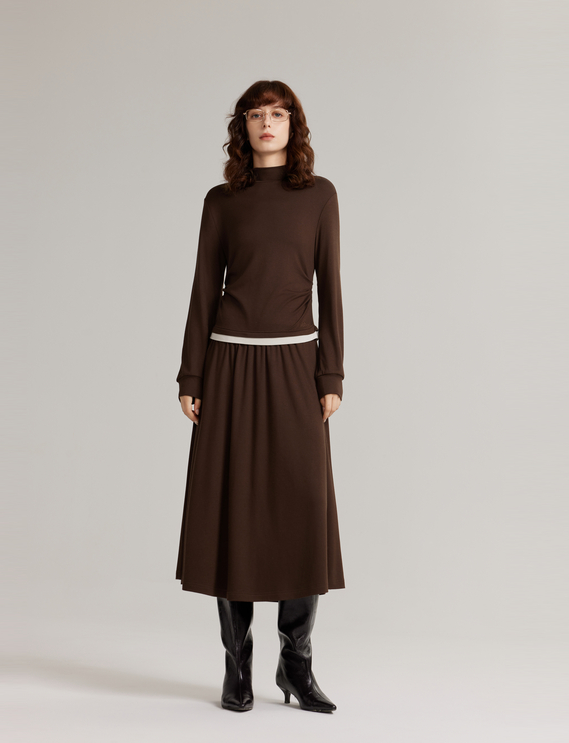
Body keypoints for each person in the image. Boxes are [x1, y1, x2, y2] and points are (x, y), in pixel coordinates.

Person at [175, 80, 345, 713]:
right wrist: (191, 377)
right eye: (255, 115)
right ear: (242, 127)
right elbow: (202, 290)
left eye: (277, 114)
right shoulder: (222, 202)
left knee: (303, 507)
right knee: (235, 510)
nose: (266, 123)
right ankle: (237, 666)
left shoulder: (319, 195)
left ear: (292, 124)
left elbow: (330, 286)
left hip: (297, 366)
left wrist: (331, 374)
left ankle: (296, 665)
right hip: (229, 366)